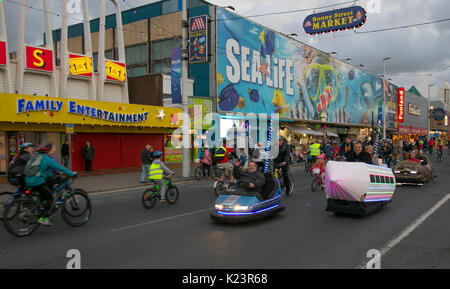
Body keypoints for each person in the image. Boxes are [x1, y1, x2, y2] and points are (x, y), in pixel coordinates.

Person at [25, 143, 77, 226]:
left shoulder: (36, 156)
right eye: (53, 148)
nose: (55, 150)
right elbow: (60, 167)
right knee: (50, 198)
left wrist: (52, 177)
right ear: (48, 150)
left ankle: (42, 208)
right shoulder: (47, 158)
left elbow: (44, 170)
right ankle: (44, 218)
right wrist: (72, 174)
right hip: (37, 182)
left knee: (45, 193)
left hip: (28, 180)